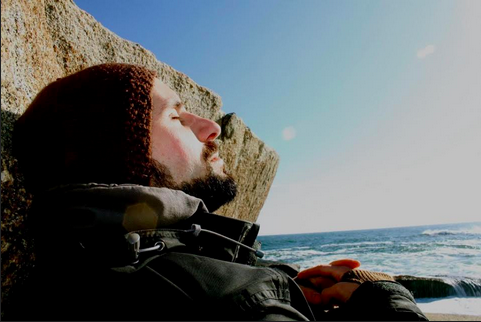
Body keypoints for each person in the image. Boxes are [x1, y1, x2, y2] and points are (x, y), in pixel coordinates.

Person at [7, 63, 428, 321]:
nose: (211, 128)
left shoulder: (66, 283)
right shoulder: (229, 302)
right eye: (176, 116)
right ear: (121, 152)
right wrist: (387, 297)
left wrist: (289, 287)